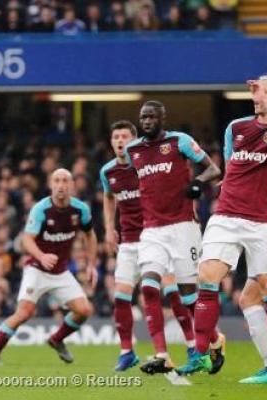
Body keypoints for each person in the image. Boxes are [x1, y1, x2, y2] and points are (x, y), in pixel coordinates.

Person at [177, 75, 267, 384]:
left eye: (263, 92)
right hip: (226, 216)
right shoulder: (236, 127)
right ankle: (202, 353)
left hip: (261, 221)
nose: (255, 96)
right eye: (255, 92)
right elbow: (234, 165)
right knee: (206, 277)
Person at [124, 100, 223, 374]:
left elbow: (214, 169)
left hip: (183, 227)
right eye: (143, 117)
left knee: (189, 296)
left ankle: (213, 341)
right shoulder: (133, 151)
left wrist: (197, 183)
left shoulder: (180, 141)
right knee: (148, 286)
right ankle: (161, 354)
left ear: (162, 119)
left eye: (151, 117)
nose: (146, 121)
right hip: (152, 229)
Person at [0, 168, 98, 365]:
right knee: (24, 313)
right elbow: (27, 240)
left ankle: (56, 339)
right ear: (50, 184)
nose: (61, 185)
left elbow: (90, 234)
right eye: (57, 181)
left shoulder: (81, 209)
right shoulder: (41, 209)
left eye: (65, 181)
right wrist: (42, 256)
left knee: (84, 310)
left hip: (61, 271)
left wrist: (91, 264)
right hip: (36, 268)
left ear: (71, 185)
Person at [100, 120, 144, 371]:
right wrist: (108, 227)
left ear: (134, 140)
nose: (119, 141)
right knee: (121, 297)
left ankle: (202, 343)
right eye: (116, 136)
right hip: (128, 242)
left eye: (124, 136)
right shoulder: (107, 171)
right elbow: (108, 196)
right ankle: (127, 351)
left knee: (176, 292)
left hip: (154, 238)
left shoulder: (145, 166)